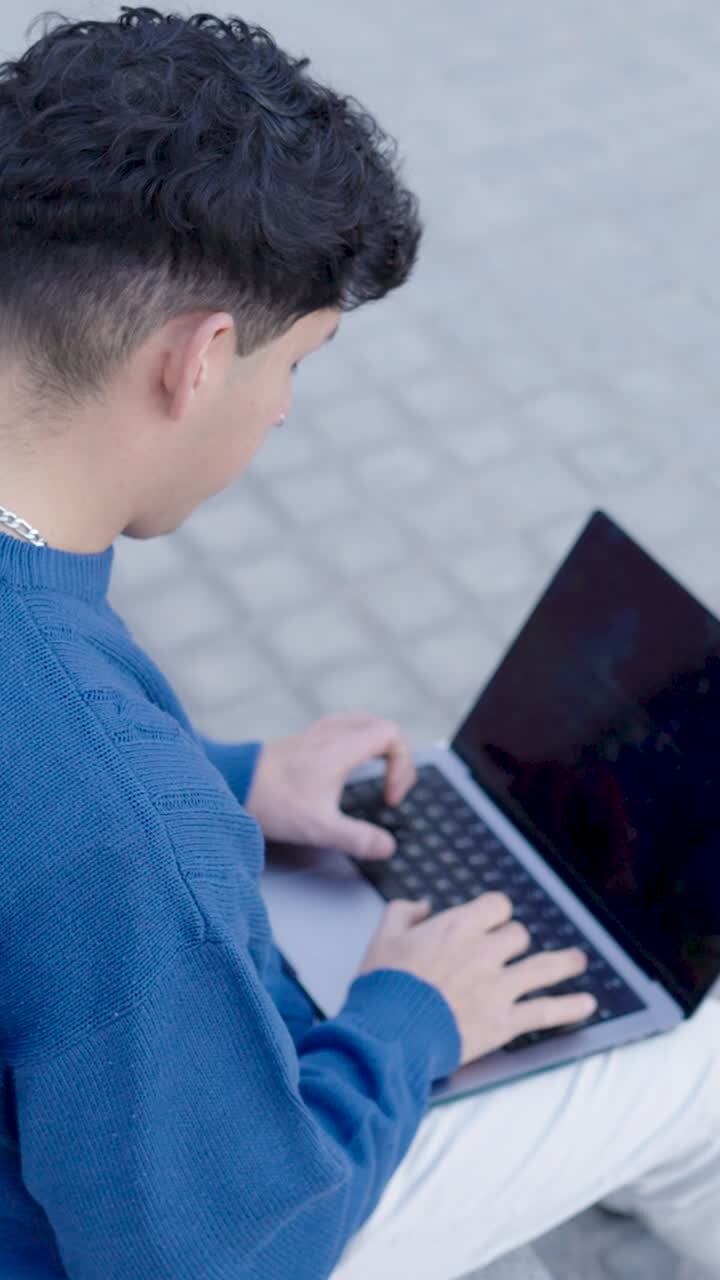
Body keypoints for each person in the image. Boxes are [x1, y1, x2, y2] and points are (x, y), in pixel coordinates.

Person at [0, 8, 717, 1279]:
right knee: (700, 1054)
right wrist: (411, 1015)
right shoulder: (124, 825)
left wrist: (236, 783)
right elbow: (219, 1254)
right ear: (201, 358)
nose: (280, 413)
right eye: (301, 362)